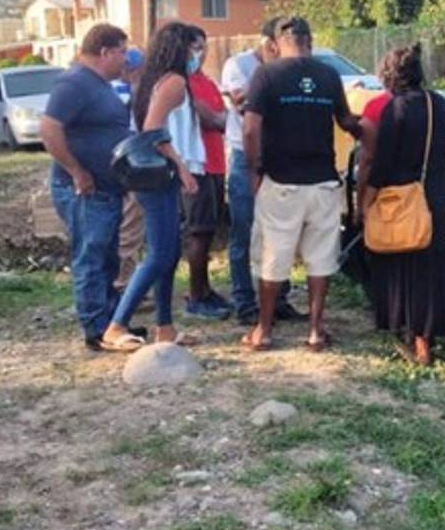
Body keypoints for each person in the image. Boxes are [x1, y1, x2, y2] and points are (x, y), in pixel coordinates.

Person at [240, 16, 361, 351]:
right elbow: (347, 120)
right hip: (323, 181)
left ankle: (263, 331)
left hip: (281, 181)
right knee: (321, 258)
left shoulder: (266, 74)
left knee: (272, 256)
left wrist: (254, 170)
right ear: (311, 40)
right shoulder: (329, 75)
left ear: (277, 43)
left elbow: (250, 129)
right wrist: (371, 128)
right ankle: (316, 330)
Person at [357, 44, 445, 366]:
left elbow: (380, 165)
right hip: (434, 201)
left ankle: (413, 337)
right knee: (430, 270)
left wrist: (366, 203)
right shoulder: (438, 103)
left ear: (390, 76)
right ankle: (428, 336)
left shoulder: (394, 110)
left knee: (401, 269)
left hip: (401, 202)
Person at [99, 22, 202, 351]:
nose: (196, 55)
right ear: (180, 49)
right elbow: (152, 129)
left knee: (169, 252)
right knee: (159, 253)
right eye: (193, 48)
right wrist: (182, 166)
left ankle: (165, 326)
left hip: (156, 173)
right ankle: (117, 325)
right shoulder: (173, 83)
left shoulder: (151, 80)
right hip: (159, 174)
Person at [39, 24, 135, 351]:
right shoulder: (74, 83)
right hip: (84, 189)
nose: (126, 59)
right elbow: (50, 129)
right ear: (105, 52)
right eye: (122, 52)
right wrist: (76, 170)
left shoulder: (99, 85)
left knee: (107, 256)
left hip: (107, 188)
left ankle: (110, 320)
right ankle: (95, 327)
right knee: (91, 256)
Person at [221, 18, 304, 326]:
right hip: (245, 157)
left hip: (277, 155)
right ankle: (245, 301)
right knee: (244, 231)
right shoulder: (238, 65)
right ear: (270, 44)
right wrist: (268, 78)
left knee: (279, 231)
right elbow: (241, 101)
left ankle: (279, 298)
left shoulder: (283, 69)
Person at [183, 26, 231, 318]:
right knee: (198, 233)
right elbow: (214, 118)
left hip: (216, 162)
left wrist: (223, 118)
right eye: (195, 47)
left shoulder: (206, 81)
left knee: (209, 230)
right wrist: (222, 118)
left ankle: (205, 290)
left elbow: (223, 116)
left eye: (204, 46)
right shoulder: (182, 84)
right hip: (197, 165)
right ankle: (195, 296)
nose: (201, 53)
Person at [113, 48, 147, 296]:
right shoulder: (130, 92)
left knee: (129, 225)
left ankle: (127, 281)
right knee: (130, 226)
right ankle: (124, 284)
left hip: (123, 164)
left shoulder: (116, 91)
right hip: (132, 165)